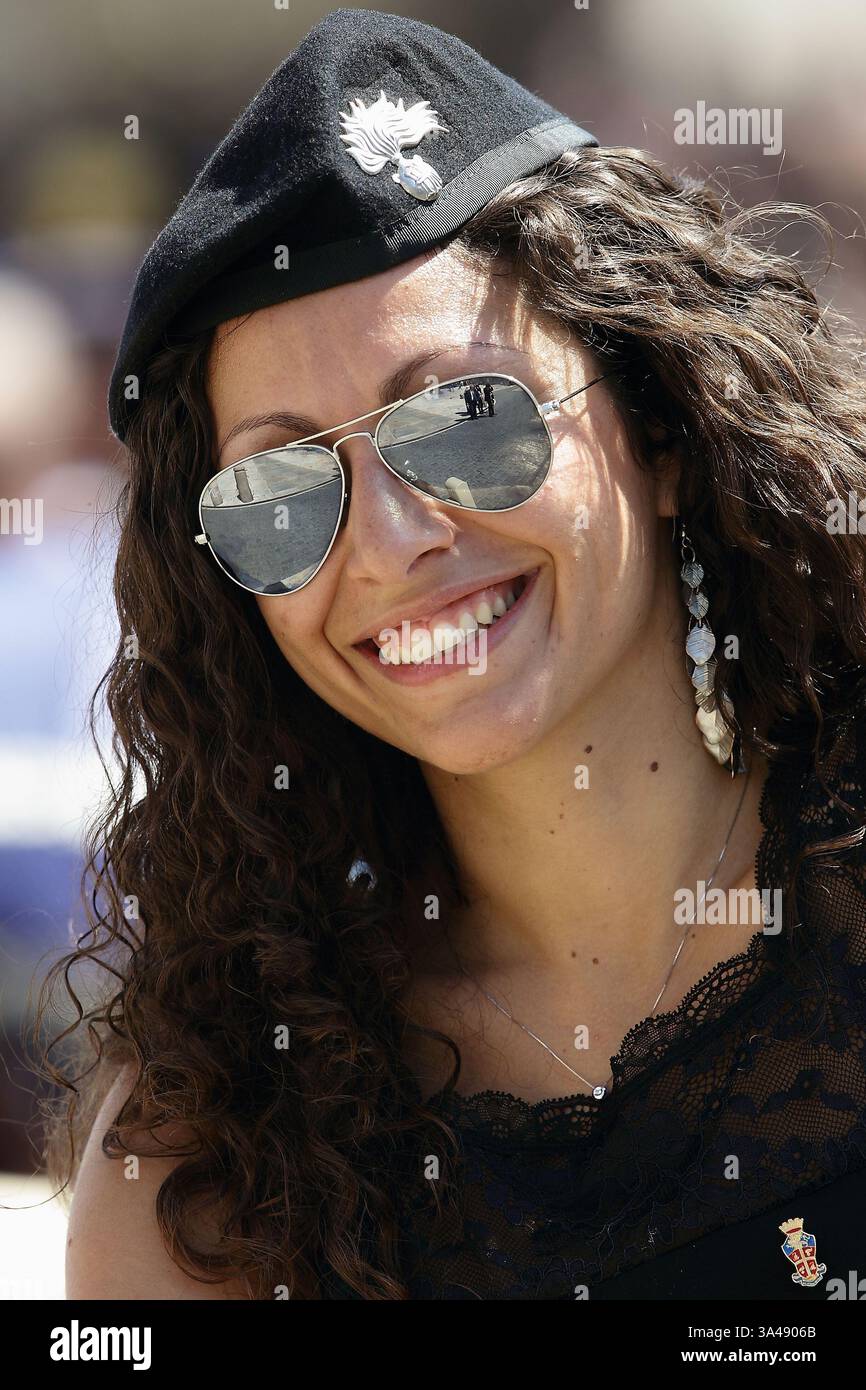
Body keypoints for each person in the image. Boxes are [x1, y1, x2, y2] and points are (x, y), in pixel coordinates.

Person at [44, 8, 866, 1302]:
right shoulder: (213, 1150)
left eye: (466, 418)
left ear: (657, 424)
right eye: (279, 488)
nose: (387, 540)